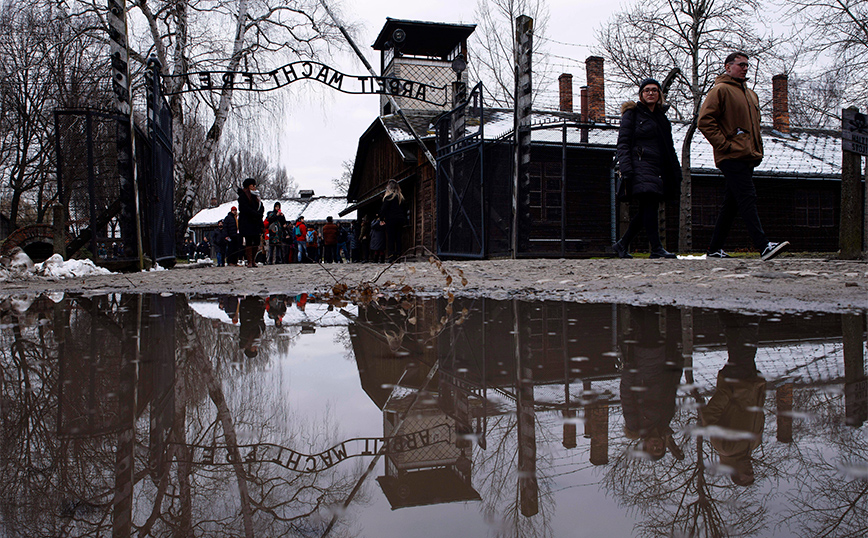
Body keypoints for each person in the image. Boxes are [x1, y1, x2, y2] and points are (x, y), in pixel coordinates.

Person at [698, 51, 789, 261]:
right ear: (728, 67)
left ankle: (714, 249)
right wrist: (725, 145)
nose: (745, 68)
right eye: (741, 65)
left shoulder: (750, 95)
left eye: (747, 65)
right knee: (748, 196)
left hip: (748, 155)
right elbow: (705, 121)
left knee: (731, 203)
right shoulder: (720, 91)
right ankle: (763, 245)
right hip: (731, 156)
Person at [612, 78, 680, 259]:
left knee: (647, 209)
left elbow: (669, 147)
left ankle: (622, 244)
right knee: (649, 205)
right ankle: (656, 248)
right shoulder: (632, 114)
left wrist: (676, 170)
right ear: (641, 94)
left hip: (658, 168)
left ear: (660, 95)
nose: (651, 93)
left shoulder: (662, 119)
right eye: (647, 90)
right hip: (639, 165)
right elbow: (623, 143)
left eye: (655, 90)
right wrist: (626, 168)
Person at [701, 312, 766, 485]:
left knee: (748, 343)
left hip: (735, 383)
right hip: (750, 383)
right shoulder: (753, 445)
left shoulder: (724, 447)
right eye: (752, 471)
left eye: (746, 472)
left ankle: (754, 310)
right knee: (737, 343)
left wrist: (727, 392)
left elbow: (709, 415)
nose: (750, 468)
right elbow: (758, 415)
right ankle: (725, 312)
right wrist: (759, 391)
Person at [236, 178, 264, 267]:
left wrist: (259, 213)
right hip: (247, 222)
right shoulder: (243, 196)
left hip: (255, 222)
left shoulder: (256, 196)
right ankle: (249, 261)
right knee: (248, 241)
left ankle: (253, 260)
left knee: (256, 241)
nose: (254, 187)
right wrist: (255, 213)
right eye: (253, 185)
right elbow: (245, 209)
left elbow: (261, 206)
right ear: (248, 186)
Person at [378, 179, 407, 262]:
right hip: (400, 220)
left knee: (391, 237)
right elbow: (405, 210)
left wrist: (381, 219)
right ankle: (398, 255)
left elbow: (383, 209)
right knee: (398, 237)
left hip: (391, 220)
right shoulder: (401, 198)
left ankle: (391, 255)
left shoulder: (388, 197)